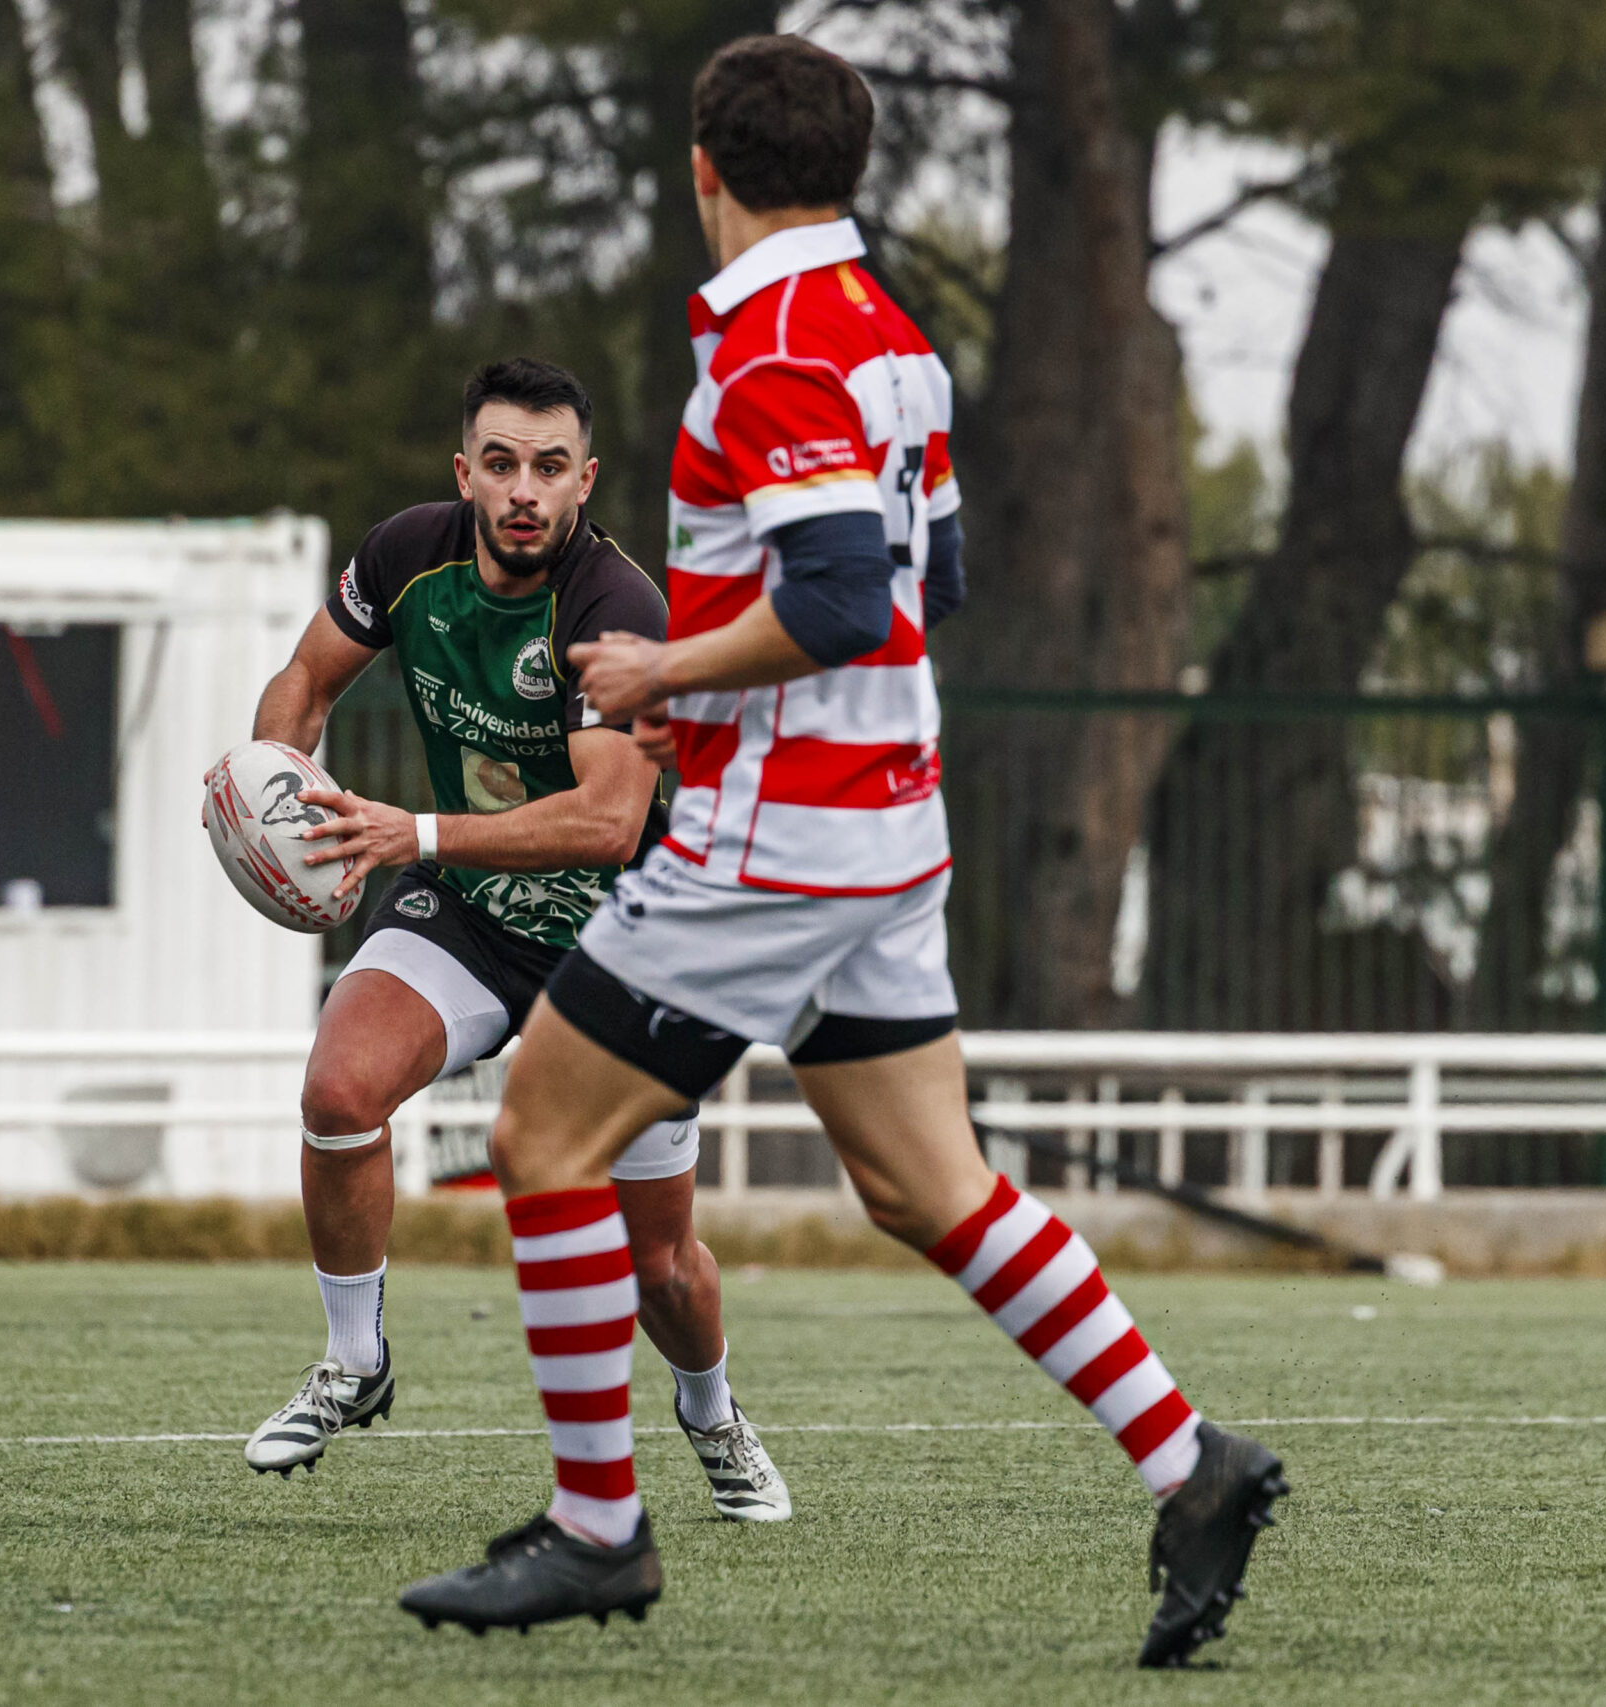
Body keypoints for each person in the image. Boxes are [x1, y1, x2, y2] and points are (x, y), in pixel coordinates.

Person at [396, 36, 1286, 1665]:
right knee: (924, 1182)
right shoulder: (892, 341)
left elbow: (835, 604)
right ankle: (1193, 1461)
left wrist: (665, 671)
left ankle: (600, 1530)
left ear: (703, 168)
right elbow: (922, 594)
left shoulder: (776, 351)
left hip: (774, 848)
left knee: (540, 1134)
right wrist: (719, 694)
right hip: (883, 824)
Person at [240, 357, 792, 1523]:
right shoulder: (405, 554)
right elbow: (303, 679)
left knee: (662, 1269)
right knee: (339, 1090)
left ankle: (709, 1410)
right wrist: (270, 782)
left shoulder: (614, 610)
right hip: (474, 917)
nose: (523, 490)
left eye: (549, 467)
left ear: (584, 480)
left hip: (622, 948)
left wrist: (413, 832)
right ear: (465, 474)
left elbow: (607, 822)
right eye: (500, 464)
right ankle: (354, 1363)